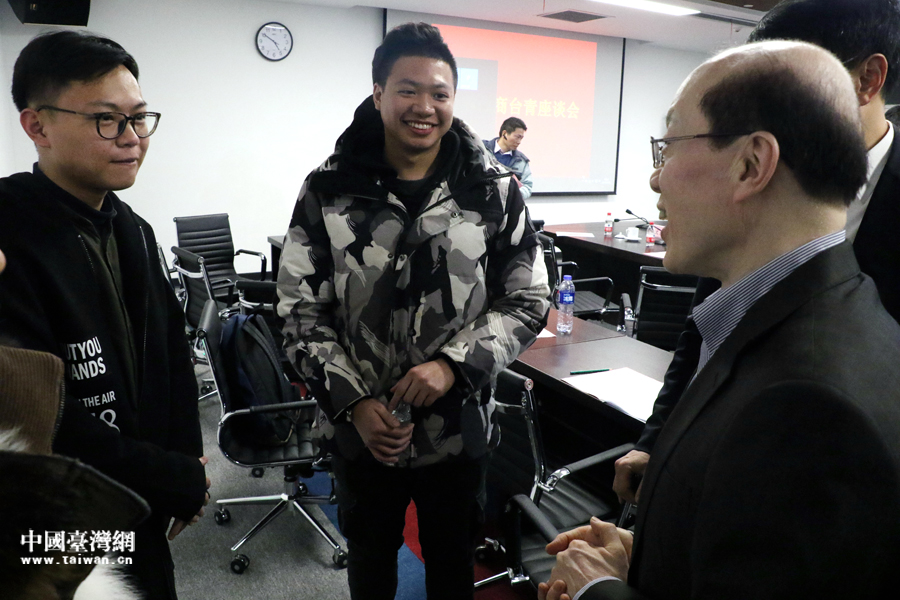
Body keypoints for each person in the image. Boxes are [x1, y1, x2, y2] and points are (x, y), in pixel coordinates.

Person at [539, 40, 900, 600]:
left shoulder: (807, 406)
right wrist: (650, 555)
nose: (655, 181)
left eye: (667, 148)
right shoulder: (802, 316)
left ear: (751, 164)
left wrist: (598, 588)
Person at [276, 22, 550, 600]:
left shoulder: (492, 190)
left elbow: (527, 300)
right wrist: (354, 403)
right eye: (408, 90)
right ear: (379, 94)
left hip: (458, 431)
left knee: (452, 569)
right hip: (361, 434)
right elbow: (300, 313)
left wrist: (453, 366)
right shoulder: (328, 189)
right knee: (370, 568)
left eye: (439, 93)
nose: (424, 107)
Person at [613, 0, 900, 504]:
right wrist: (661, 442)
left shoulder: (827, 377)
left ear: (868, 80)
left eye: (792, 73)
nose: (657, 178)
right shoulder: (743, 218)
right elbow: (709, 328)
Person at [0, 31, 210, 599]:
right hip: (64, 509)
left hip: (145, 495)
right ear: (37, 126)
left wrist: (187, 463)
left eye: (139, 118)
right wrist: (173, 476)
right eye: (106, 120)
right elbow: (36, 411)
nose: (132, 138)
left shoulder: (132, 228)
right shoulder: (9, 233)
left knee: (150, 584)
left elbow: (171, 356)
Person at [484, 116, 534, 199]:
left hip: (505, 205)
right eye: (517, 137)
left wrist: (511, 194)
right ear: (504, 134)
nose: (519, 142)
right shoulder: (482, 149)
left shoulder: (521, 161)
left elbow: (527, 187)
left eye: (521, 138)